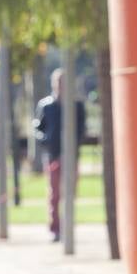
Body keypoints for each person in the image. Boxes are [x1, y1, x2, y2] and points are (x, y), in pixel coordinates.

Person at [33, 68, 87, 243]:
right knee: (54, 193)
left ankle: (69, 226)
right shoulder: (46, 106)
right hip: (52, 155)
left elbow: (80, 130)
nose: (61, 86)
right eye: (58, 82)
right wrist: (47, 142)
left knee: (70, 192)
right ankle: (55, 227)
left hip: (71, 157)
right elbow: (37, 129)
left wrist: (70, 151)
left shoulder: (76, 105)